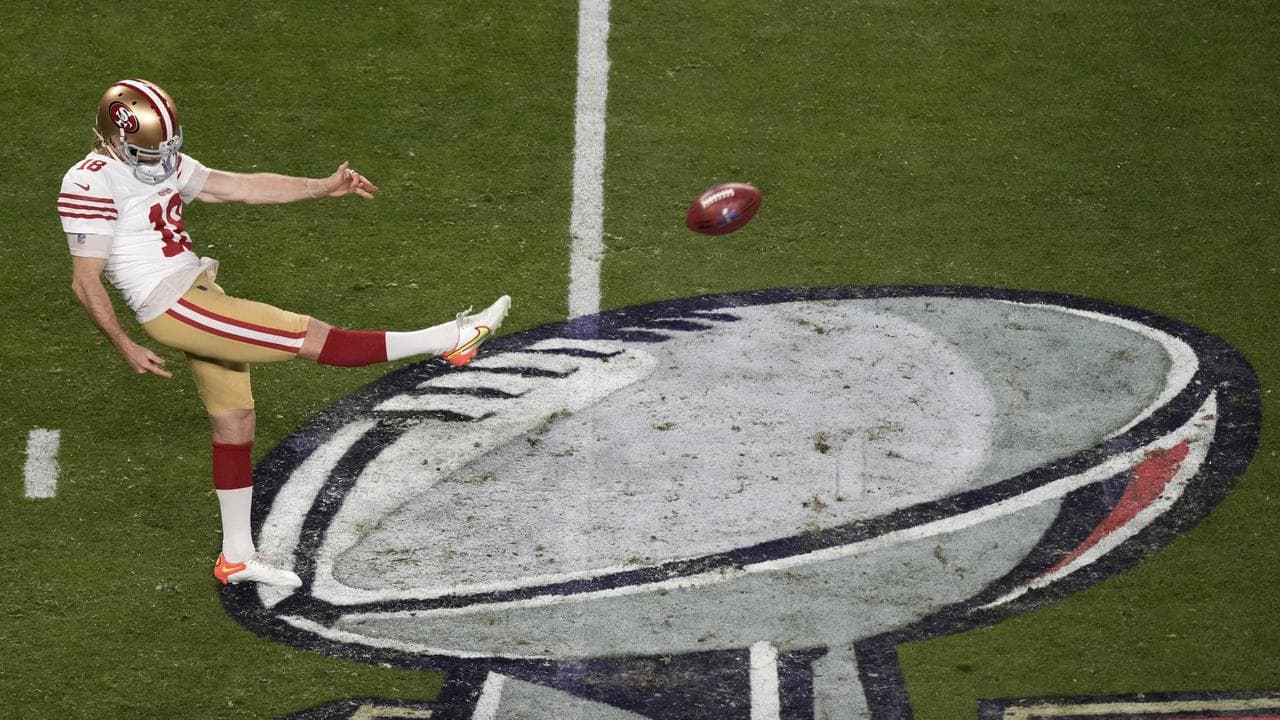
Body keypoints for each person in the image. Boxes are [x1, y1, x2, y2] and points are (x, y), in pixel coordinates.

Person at [58, 78, 510, 588]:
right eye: (147, 151)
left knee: (235, 423)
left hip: (198, 290)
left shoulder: (159, 162)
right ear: (113, 139)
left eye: (166, 149)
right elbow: (84, 278)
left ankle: (236, 558)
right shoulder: (91, 180)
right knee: (311, 337)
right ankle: (450, 338)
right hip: (174, 304)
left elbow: (238, 186)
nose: (160, 161)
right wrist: (124, 343)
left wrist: (319, 186)